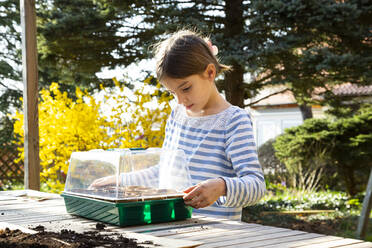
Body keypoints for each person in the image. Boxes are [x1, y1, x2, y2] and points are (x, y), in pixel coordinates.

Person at [153, 29, 265, 220]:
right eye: (173, 93)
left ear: (210, 72)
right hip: (173, 230)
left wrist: (222, 186)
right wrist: (120, 179)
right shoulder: (176, 116)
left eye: (186, 88)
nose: (180, 100)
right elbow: (164, 170)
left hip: (217, 236)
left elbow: (256, 185)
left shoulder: (234, 121)